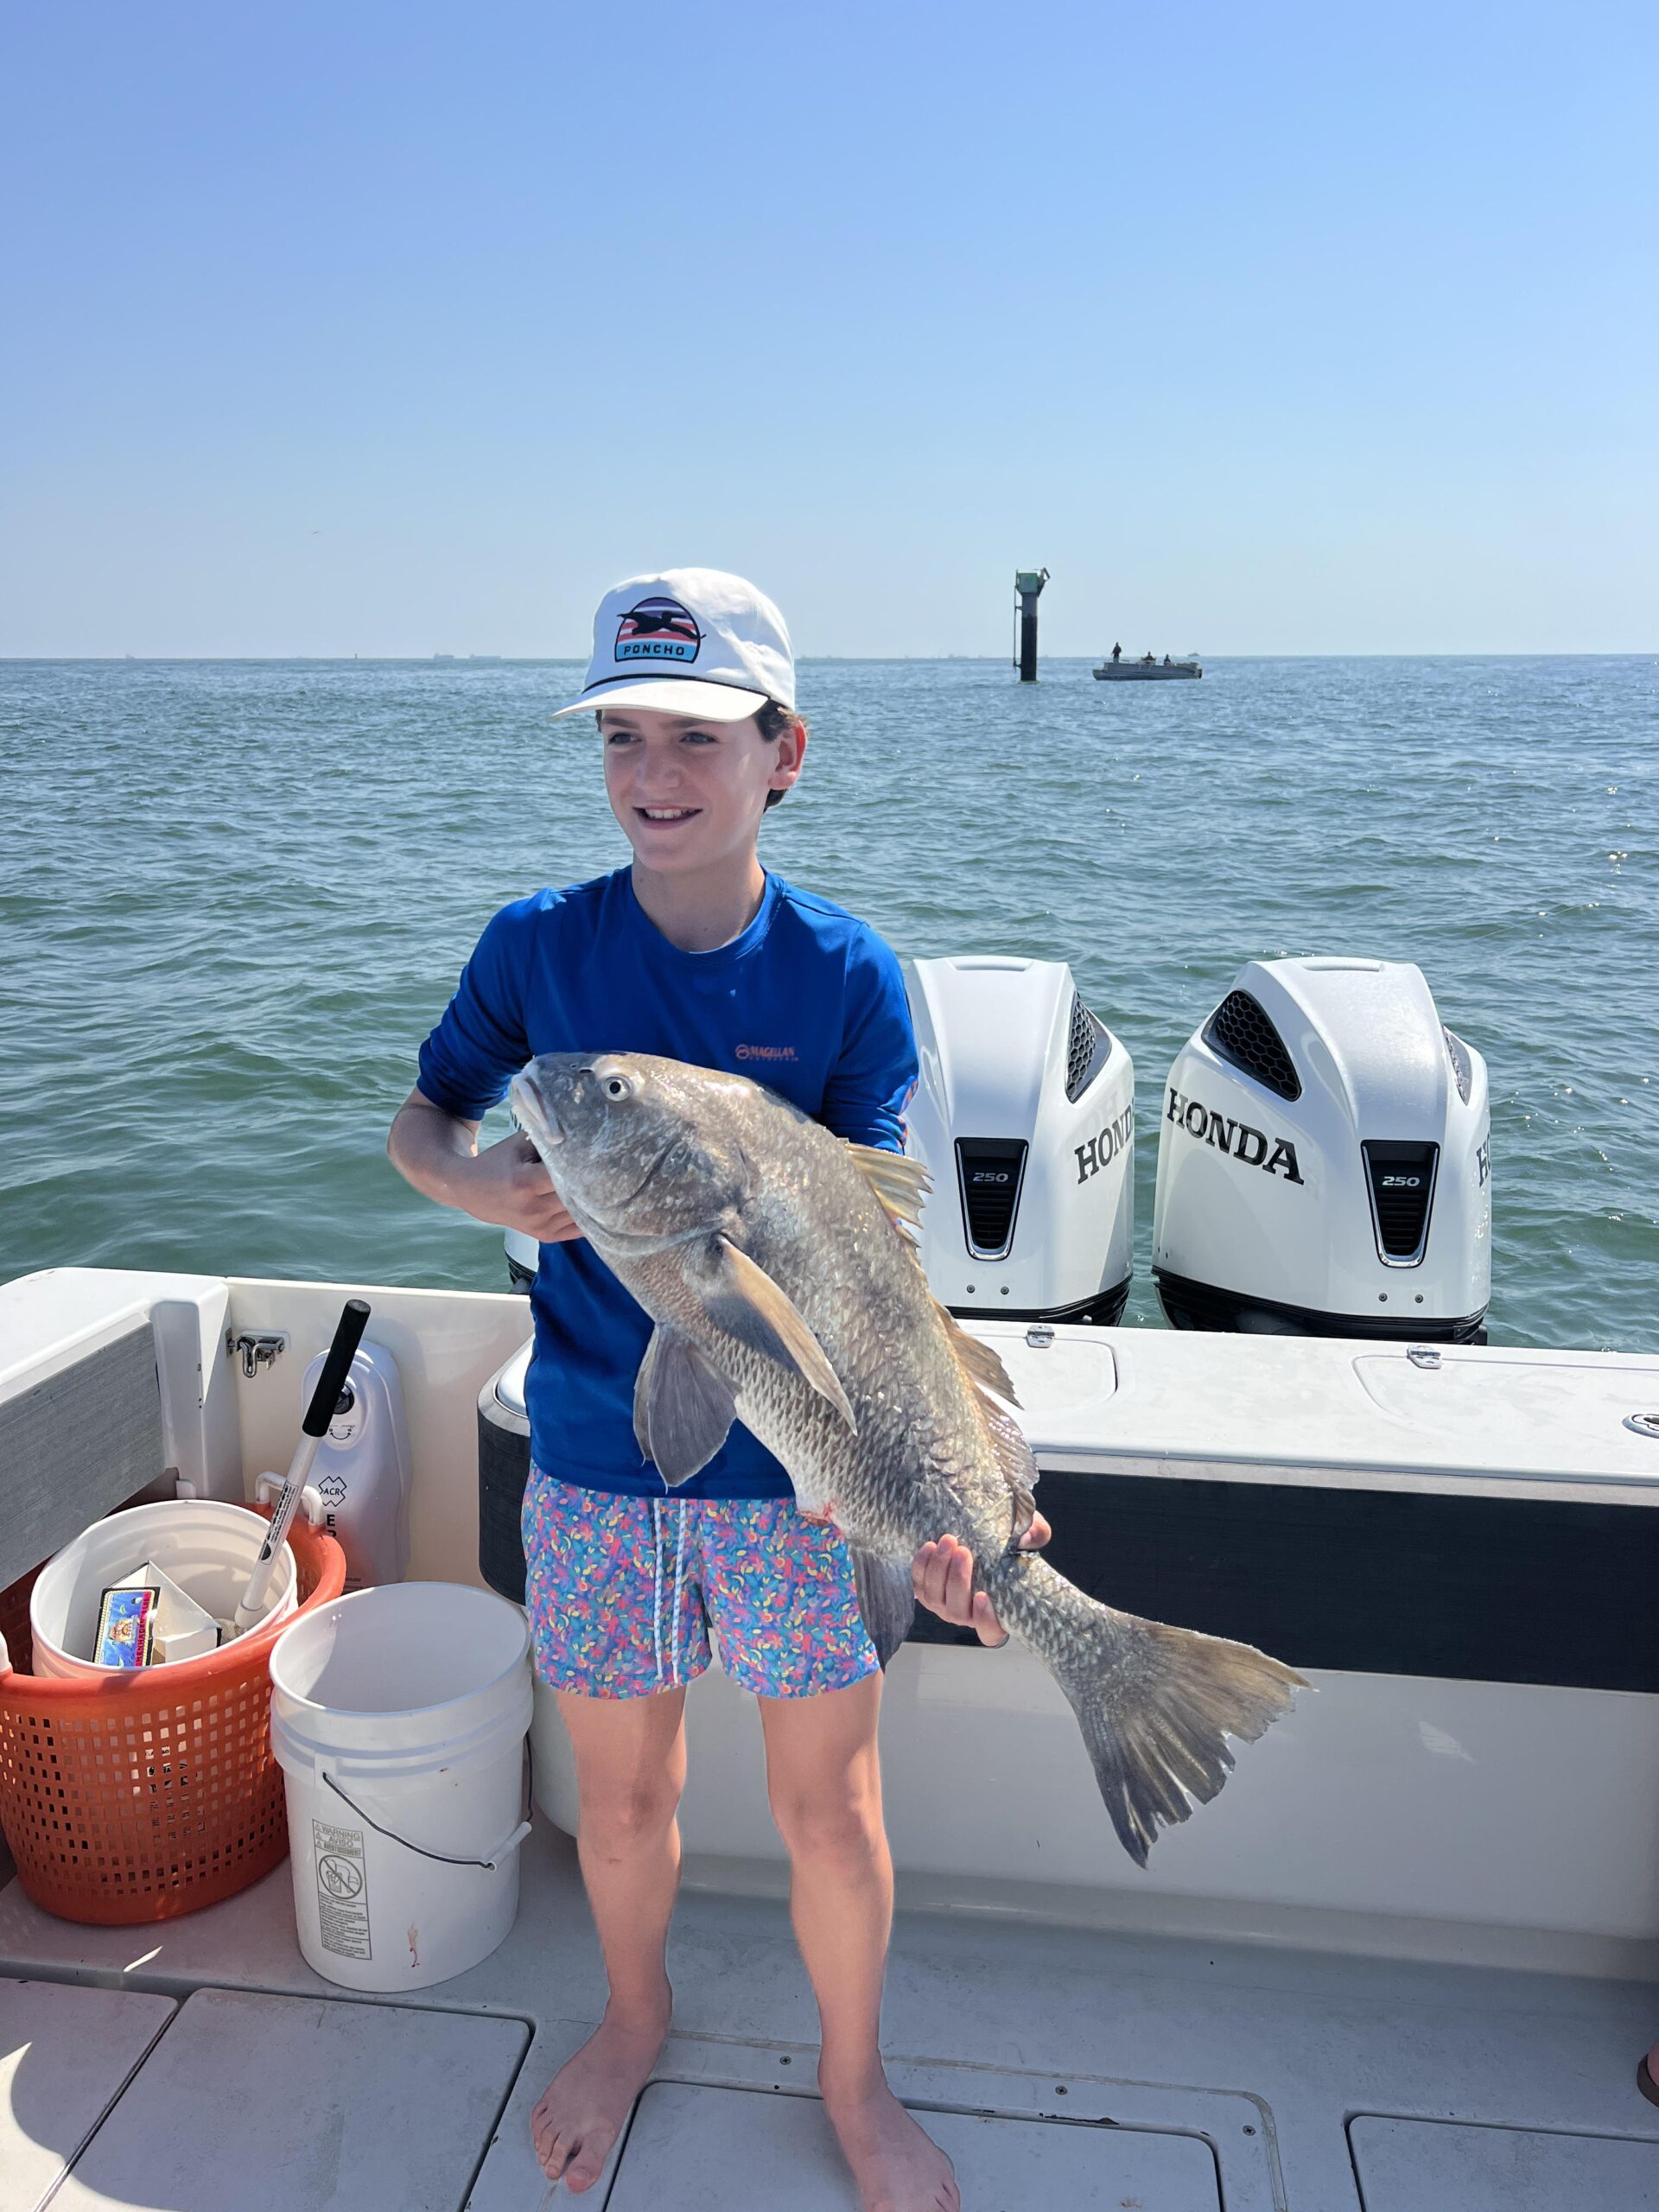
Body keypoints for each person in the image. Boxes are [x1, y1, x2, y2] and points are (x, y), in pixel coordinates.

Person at [388, 568, 1048, 2212]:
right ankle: (634, 2017)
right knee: (622, 1793)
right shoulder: (535, 949)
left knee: (830, 1808)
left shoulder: (847, 977)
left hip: (802, 1488)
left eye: (695, 732)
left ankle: (853, 2077)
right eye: (622, 733)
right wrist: (487, 1193)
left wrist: (953, 1497)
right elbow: (425, 1126)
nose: (652, 769)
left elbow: (879, 1271)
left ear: (783, 753)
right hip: (602, 1459)